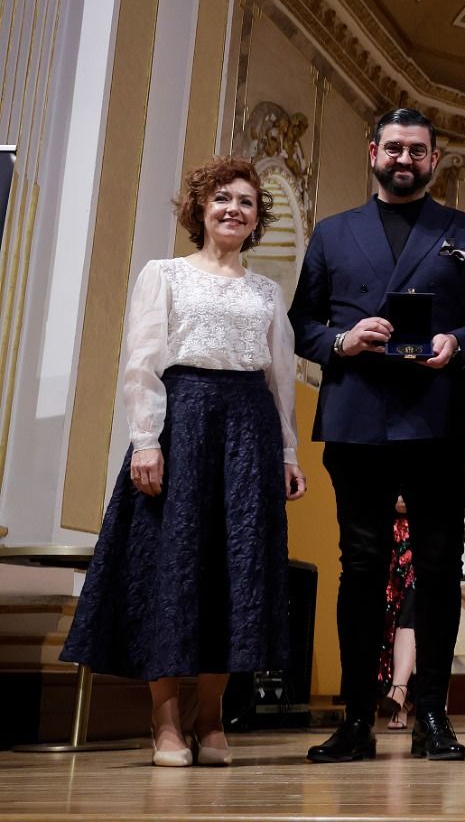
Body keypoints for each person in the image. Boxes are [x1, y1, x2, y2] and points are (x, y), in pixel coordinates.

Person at [61, 156, 307, 767]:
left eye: (246, 202)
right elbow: (142, 362)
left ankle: (213, 719)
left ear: (256, 220)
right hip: (184, 424)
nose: (233, 209)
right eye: (222, 198)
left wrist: (286, 452)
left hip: (249, 431)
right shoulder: (165, 274)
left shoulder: (267, 291)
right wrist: (146, 440)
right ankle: (165, 722)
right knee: (172, 569)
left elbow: (279, 379)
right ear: (200, 208)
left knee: (234, 572)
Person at [289, 107, 465, 763]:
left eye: (418, 151)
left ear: (435, 161)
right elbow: (301, 322)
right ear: (372, 152)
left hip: (437, 414)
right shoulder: (331, 232)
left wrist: (456, 340)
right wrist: (341, 340)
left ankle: (433, 713)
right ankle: (355, 718)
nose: (404, 160)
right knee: (361, 567)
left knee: (438, 568)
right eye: (394, 149)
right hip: (357, 415)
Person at [378, 497, 416, 732]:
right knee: (387, 618)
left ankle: (399, 692)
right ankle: (399, 700)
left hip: (419, 538)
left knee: (411, 611)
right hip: (385, 537)